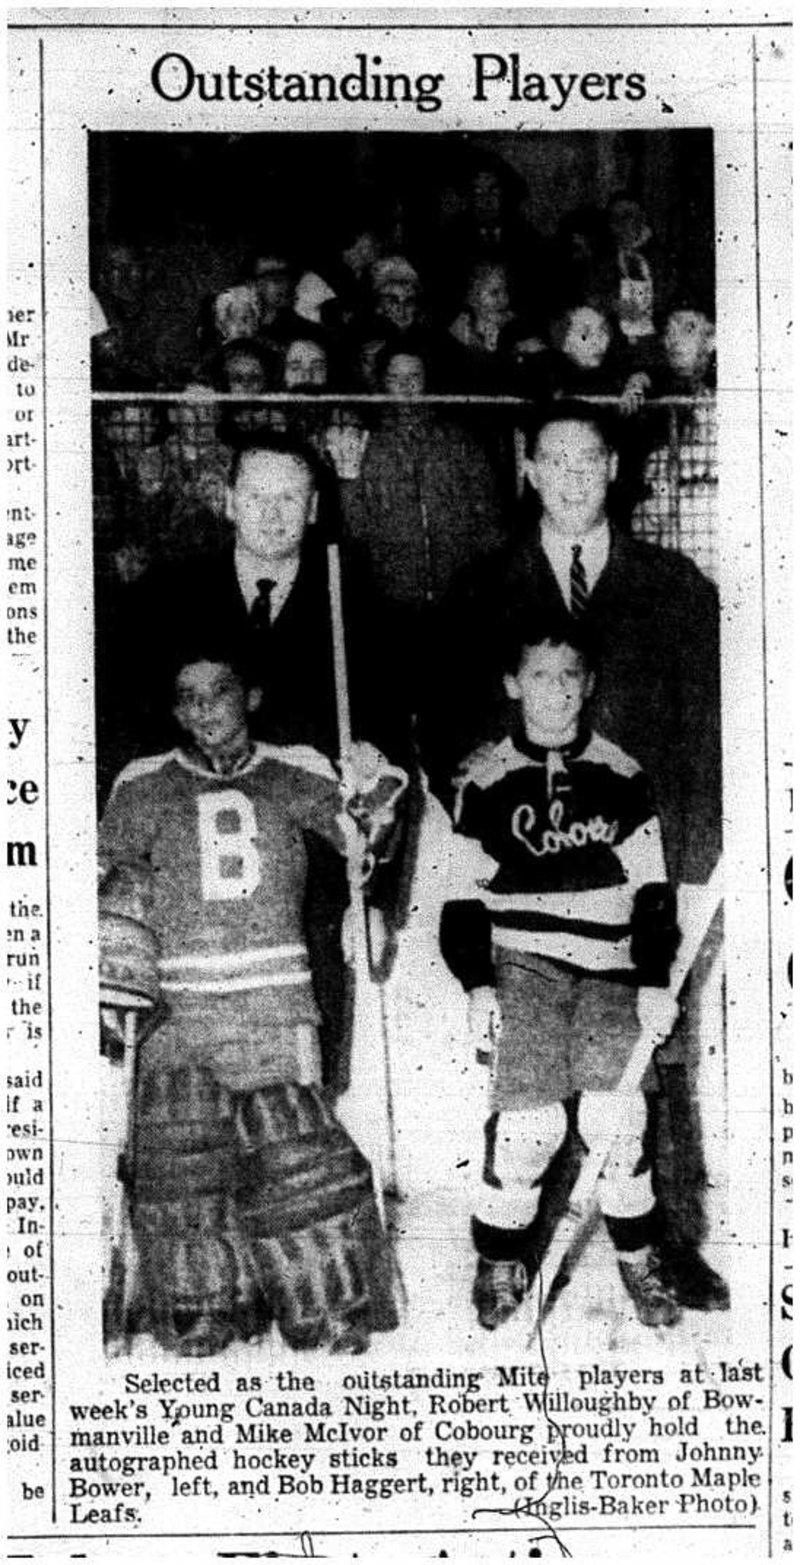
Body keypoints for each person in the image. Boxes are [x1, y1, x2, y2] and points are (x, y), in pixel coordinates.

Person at [424, 403, 726, 1311]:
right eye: (552, 459)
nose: (570, 475)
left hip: (637, 869)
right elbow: (444, 726)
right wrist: (501, 827)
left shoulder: (676, 587)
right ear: (528, 469)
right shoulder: (479, 586)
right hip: (527, 890)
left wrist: (689, 855)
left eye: (587, 458)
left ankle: (662, 1244)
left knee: (641, 1072)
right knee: (527, 1093)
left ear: (613, 468)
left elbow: (707, 730)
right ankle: (510, 1247)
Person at [99, 645, 406, 1358]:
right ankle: (206, 1302)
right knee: (183, 1162)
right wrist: (112, 984)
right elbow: (110, 889)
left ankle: (327, 1304)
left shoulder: (292, 766)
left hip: (273, 1000)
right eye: (187, 695)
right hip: (178, 1006)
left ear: (253, 696)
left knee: (296, 1157)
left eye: (219, 690)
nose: (203, 708)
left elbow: (362, 838)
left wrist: (377, 785)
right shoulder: (144, 782)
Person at [440, 615, 682, 1330]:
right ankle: (500, 1258)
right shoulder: (486, 782)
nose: (556, 692)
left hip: (610, 968)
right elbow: (461, 898)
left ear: (590, 684)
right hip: (525, 966)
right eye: (540, 676)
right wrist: (477, 981)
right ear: (513, 684)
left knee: (620, 1119)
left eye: (570, 676)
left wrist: (656, 980)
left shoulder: (622, 773)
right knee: (529, 1127)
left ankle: (640, 1260)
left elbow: (652, 893)